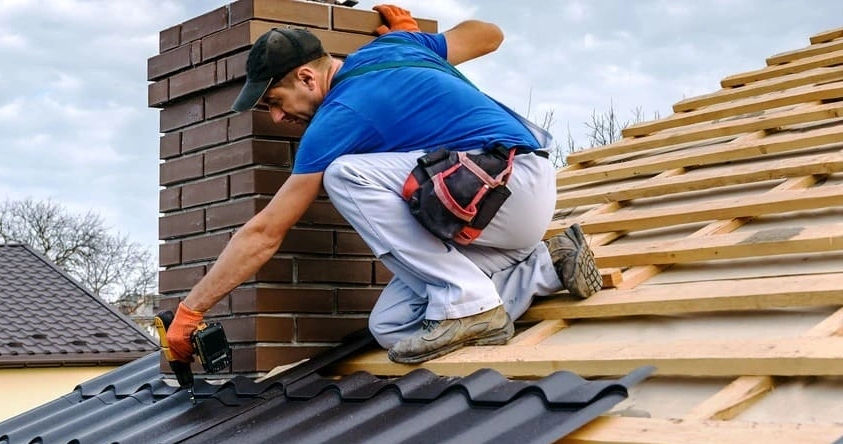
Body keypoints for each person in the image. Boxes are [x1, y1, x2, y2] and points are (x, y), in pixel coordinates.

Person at [163, 4, 600, 365]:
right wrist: (422, 45)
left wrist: (192, 309)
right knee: (391, 326)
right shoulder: (398, 45)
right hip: (498, 213)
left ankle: (470, 302)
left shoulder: (339, 116)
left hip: (506, 184)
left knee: (345, 174)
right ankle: (547, 266)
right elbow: (490, 33)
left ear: (307, 78)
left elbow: (265, 233)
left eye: (276, 102)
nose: (277, 118)